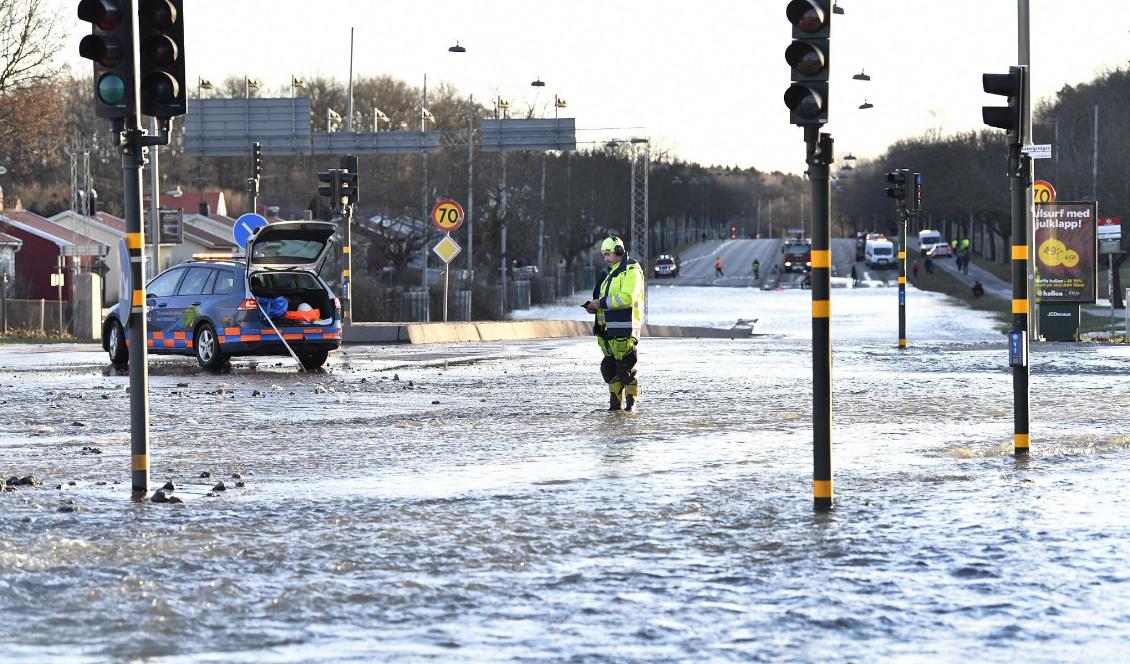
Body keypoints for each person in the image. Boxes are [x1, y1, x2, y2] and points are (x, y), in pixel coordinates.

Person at [584, 236, 645, 411]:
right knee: (609, 369)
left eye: (608, 254)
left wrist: (601, 303)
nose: (606, 258)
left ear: (619, 252)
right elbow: (603, 299)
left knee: (624, 370)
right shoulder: (607, 272)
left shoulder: (632, 270)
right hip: (606, 331)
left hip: (624, 329)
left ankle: (631, 406)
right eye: (604, 255)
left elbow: (626, 298)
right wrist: (594, 307)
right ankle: (615, 408)